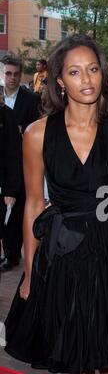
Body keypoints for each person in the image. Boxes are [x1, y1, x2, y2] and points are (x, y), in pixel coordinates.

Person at [4, 34, 108, 374]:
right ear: (60, 80)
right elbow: (33, 203)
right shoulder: (37, 134)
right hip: (62, 253)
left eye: (93, 69)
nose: (87, 79)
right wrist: (29, 270)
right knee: (77, 354)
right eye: (75, 72)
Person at [0, 56, 40, 272]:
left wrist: (21, 131)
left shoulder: (31, 100)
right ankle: (8, 250)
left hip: (23, 162)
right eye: (8, 73)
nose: (12, 78)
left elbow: (37, 127)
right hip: (3, 161)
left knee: (15, 209)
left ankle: (13, 254)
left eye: (16, 74)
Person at [0, 92, 22, 272]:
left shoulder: (6, 114)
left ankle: (11, 255)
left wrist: (11, 190)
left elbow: (14, 154)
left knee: (8, 228)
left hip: (3, 185)